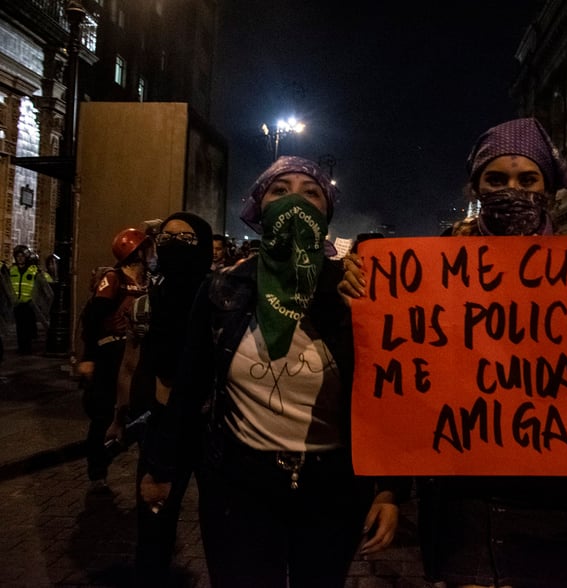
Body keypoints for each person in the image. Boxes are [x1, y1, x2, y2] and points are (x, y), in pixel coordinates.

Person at [339, 117, 567, 588]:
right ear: (476, 186)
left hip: (553, 495)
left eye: (528, 179)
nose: (513, 190)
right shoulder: (427, 271)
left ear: (549, 189)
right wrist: (388, 488)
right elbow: (401, 379)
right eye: (497, 179)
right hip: (458, 493)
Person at [139, 156, 407, 587]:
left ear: (327, 212)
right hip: (238, 487)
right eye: (280, 191)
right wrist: (162, 466)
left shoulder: (355, 290)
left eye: (310, 192)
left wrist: (390, 489)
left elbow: (389, 393)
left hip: (331, 489)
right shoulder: (223, 286)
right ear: (259, 208)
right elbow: (190, 386)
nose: (294, 202)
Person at [106, 212, 213, 585]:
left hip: (215, 430)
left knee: (222, 530)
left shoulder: (224, 303)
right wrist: (119, 418)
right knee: (153, 528)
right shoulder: (146, 306)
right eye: (165, 239)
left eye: (185, 241)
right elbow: (130, 366)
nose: (172, 247)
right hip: (163, 428)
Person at [77, 228, 152, 487]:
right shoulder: (113, 278)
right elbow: (93, 317)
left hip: (137, 353)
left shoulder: (148, 280)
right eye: (146, 248)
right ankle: (97, 472)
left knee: (141, 413)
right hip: (110, 353)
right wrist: (88, 357)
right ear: (136, 251)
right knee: (101, 414)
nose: (151, 253)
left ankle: (113, 453)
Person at [8, 245, 52, 354]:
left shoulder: (33, 271)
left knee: (26, 327)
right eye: (18, 256)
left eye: (22, 256)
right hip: (17, 303)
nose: (20, 258)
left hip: (29, 303)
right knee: (19, 327)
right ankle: (21, 347)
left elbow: (45, 282)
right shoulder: (12, 270)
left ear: (26, 257)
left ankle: (26, 348)